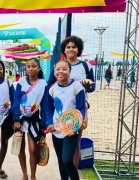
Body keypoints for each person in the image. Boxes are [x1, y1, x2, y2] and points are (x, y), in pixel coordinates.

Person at [48, 35, 95, 168]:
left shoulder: (86, 66)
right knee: (62, 141)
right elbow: (50, 86)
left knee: (75, 142)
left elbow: (93, 87)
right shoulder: (58, 67)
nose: (71, 49)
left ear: (79, 49)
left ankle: (72, 171)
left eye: (74, 46)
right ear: (64, 49)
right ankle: (66, 170)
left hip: (79, 108)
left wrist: (87, 87)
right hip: (61, 108)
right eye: (68, 47)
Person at [46, 61, 86, 180]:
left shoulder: (77, 87)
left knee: (67, 160)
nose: (60, 72)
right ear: (54, 72)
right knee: (60, 161)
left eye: (64, 69)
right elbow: (48, 110)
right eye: (57, 69)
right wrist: (49, 124)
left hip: (70, 131)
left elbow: (81, 109)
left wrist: (75, 127)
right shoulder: (52, 89)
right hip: (56, 130)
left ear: (69, 71)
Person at [13, 58, 48, 180]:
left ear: (39, 68)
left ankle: (33, 175)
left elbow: (45, 105)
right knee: (19, 147)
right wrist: (16, 118)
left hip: (33, 120)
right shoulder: (21, 81)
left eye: (33, 66)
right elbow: (16, 101)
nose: (30, 69)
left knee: (33, 150)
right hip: (20, 120)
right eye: (28, 66)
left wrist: (44, 125)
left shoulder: (43, 84)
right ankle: (25, 174)